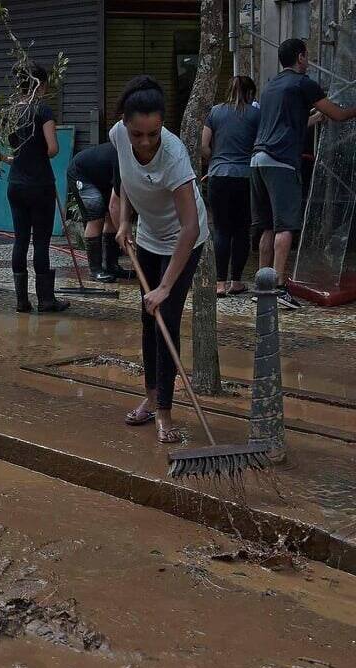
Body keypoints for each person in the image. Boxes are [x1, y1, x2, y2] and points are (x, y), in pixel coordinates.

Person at [110, 76, 210, 444]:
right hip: (149, 238)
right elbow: (125, 178)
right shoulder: (118, 136)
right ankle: (151, 398)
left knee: (165, 316)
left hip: (184, 242)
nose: (145, 142)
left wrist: (166, 286)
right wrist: (123, 221)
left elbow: (190, 226)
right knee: (147, 318)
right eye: (138, 134)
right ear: (125, 124)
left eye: (153, 133)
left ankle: (166, 413)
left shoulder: (174, 156)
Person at [251, 38, 356, 309]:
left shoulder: (271, 86)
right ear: (300, 57)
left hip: (258, 160)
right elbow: (340, 115)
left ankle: (262, 287)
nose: (308, 60)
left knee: (267, 227)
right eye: (306, 55)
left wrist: (313, 119)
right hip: (282, 163)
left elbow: (283, 124)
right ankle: (278, 288)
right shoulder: (303, 83)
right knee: (285, 227)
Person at [0, 64, 68, 313]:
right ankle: (46, 300)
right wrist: (37, 153)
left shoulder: (10, 113)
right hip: (40, 184)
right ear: (41, 85)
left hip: (16, 184)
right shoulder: (43, 110)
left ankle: (21, 301)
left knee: (20, 240)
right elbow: (53, 148)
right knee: (41, 243)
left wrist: (4, 158)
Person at [202, 75, 260, 296]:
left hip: (218, 175)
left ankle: (219, 284)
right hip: (245, 177)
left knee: (222, 229)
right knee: (242, 231)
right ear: (249, 93)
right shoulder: (256, 114)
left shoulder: (215, 112)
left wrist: (215, 159)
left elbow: (203, 146)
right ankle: (236, 281)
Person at [68, 142, 130, 282]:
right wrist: (123, 232)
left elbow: (114, 205)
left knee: (109, 216)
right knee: (96, 217)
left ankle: (111, 266)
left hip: (101, 177)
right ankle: (95, 269)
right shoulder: (123, 159)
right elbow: (115, 206)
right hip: (81, 174)